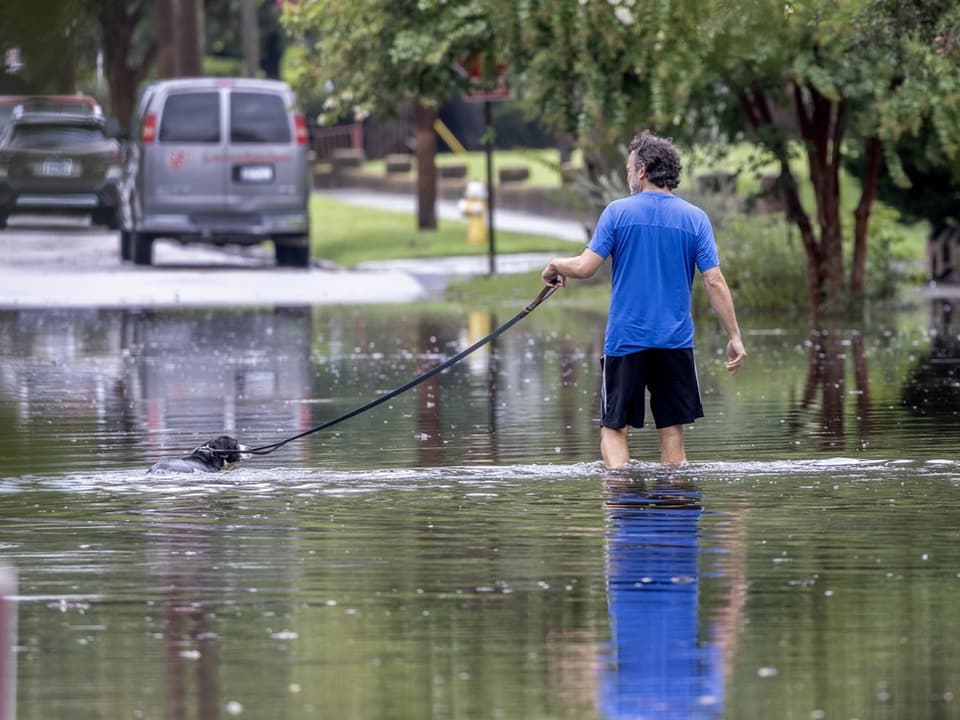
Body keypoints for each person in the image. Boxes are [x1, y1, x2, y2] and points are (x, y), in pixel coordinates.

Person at [541, 131, 746, 468]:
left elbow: (584, 267)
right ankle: (676, 509)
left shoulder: (617, 213)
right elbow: (715, 281)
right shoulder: (695, 218)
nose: (627, 176)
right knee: (671, 432)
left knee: (613, 428)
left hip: (626, 341)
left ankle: (620, 506)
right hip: (675, 342)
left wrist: (554, 266)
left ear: (642, 170)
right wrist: (734, 336)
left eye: (628, 169)